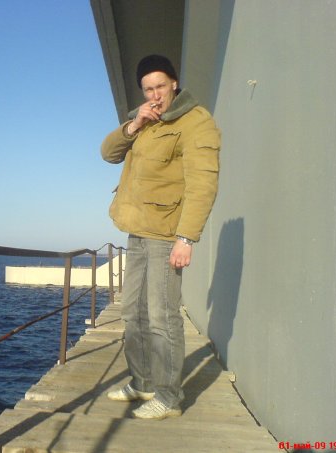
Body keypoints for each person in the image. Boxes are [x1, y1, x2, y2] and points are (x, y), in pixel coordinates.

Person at [101, 54, 220, 420]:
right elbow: (108, 154)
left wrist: (187, 238)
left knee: (161, 317)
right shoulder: (145, 121)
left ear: (174, 84)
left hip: (167, 234)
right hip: (137, 231)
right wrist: (134, 124)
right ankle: (143, 382)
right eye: (148, 89)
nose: (155, 95)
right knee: (132, 313)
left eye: (160, 86)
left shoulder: (196, 121)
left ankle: (169, 398)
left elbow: (203, 183)